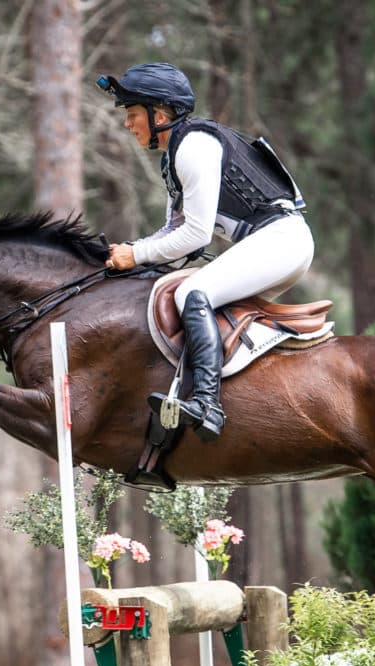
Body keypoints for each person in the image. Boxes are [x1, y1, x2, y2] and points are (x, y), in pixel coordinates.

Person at [96, 62, 315, 441]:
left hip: (282, 240)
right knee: (209, 307)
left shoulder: (194, 147)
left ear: (159, 114)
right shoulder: (176, 154)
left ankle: (208, 404)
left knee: (191, 293)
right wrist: (133, 251)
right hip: (275, 243)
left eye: (132, 114)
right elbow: (174, 230)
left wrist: (139, 254)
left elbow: (196, 236)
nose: (128, 124)